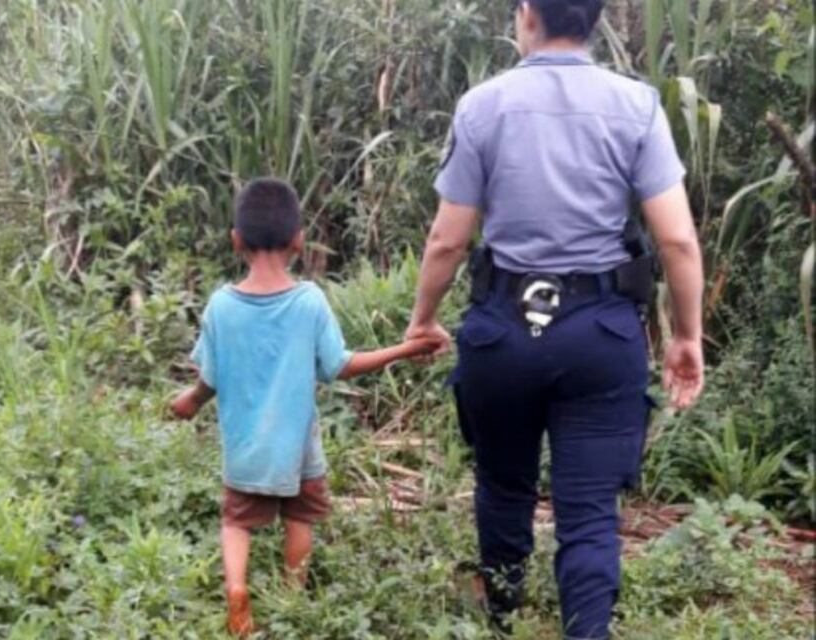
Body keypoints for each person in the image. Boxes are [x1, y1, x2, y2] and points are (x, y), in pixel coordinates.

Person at [404, 1, 705, 638]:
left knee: (503, 481)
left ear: (527, 16)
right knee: (590, 513)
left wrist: (422, 320)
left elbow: (447, 241)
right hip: (599, 333)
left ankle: (502, 615)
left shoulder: (483, 106)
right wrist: (686, 335)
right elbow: (677, 240)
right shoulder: (636, 106)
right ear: (593, 19)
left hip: (502, 332)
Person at [170, 177, 438, 637]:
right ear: (299, 241)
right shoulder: (309, 301)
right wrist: (402, 349)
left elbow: (209, 380)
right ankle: (293, 596)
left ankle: (237, 591)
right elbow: (340, 365)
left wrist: (189, 402)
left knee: (236, 522)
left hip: (244, 453)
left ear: (236, 241)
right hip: (299, 451)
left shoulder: (220, 306)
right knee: (300, 518)